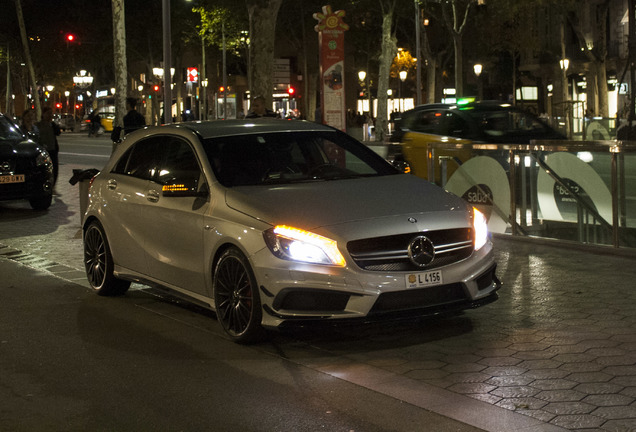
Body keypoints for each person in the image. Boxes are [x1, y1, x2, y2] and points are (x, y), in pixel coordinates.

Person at [36, 107, 61, 185]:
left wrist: (54, 124)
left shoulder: (52, 124)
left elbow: (58, 132)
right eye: (48, 113)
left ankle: (53, 185)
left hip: (53, 150)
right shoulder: (39, 125)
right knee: (46, 170)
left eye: (51, 113)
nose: (50, 115)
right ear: (43, 114)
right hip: (44, 151)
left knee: (55, 169)